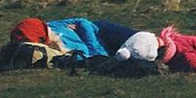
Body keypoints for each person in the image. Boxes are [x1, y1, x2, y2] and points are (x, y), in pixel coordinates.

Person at [8, 17, 145, 60]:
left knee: (142, 39)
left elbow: (82, 21)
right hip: (105, 47)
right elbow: (85, 54)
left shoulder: (51, 27)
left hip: (99, 30)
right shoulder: (59, 53)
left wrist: (95, 51)